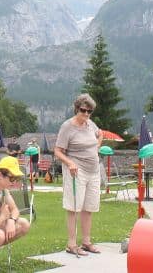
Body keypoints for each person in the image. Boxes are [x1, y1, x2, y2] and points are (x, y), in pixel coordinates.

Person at [54, 93, 103, 256]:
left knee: (89, 207)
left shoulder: (90, 124)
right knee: (74, 208)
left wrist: (96, 149)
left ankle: (87, 242)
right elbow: (57, 151)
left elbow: (100, 133)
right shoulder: (67, 126)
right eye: (83, 110)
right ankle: (71, 244)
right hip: (76, 171)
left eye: (90, 111)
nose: (86, 114)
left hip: (93, 172)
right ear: (77, 109)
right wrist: (70, 163)